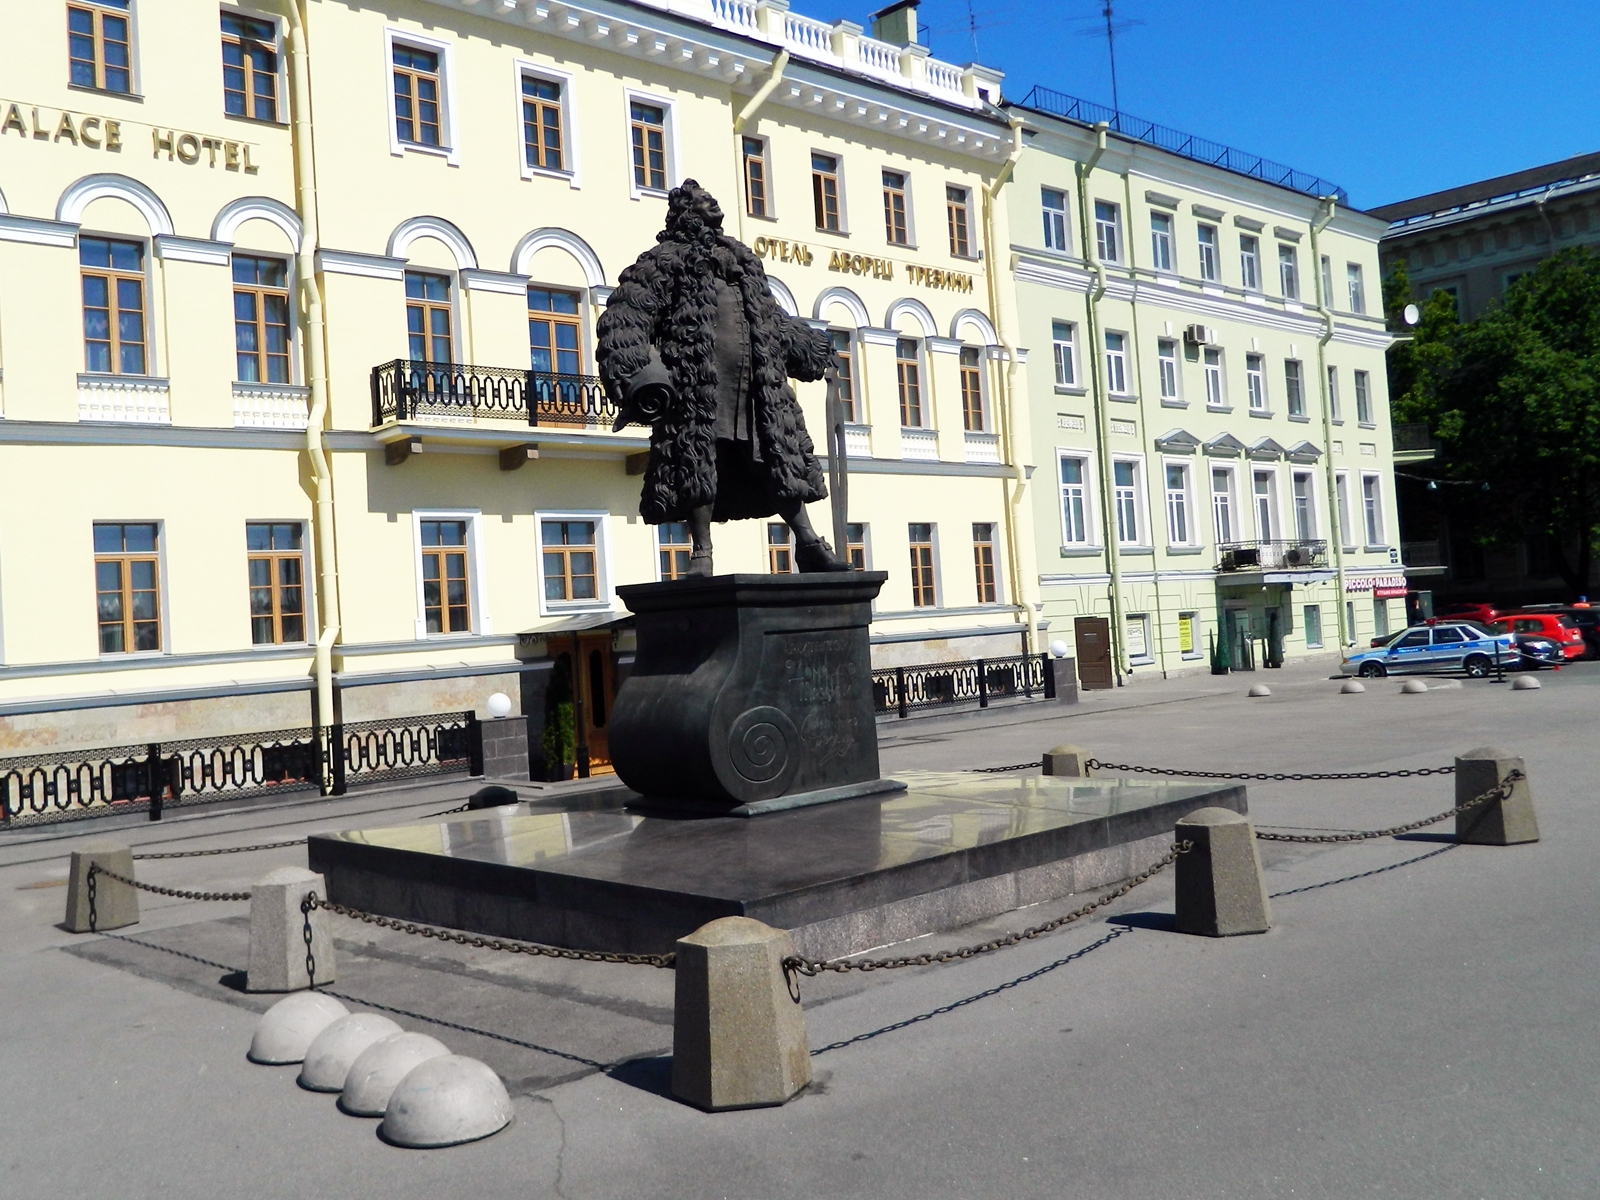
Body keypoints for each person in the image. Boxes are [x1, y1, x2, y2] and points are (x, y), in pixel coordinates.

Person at [596, 180, 849, 576]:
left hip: (757, 385)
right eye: (704, 200)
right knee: (698, 459)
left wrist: (815, 348)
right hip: (698, 384)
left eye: (712, 198)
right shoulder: (664, 261)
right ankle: (702, 552)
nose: (713, 203)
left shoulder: (742, 263)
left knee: (775, 457)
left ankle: (809, 544)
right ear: (687, 213)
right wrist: (635, 370)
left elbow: (771, 322)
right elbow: (627, 316)